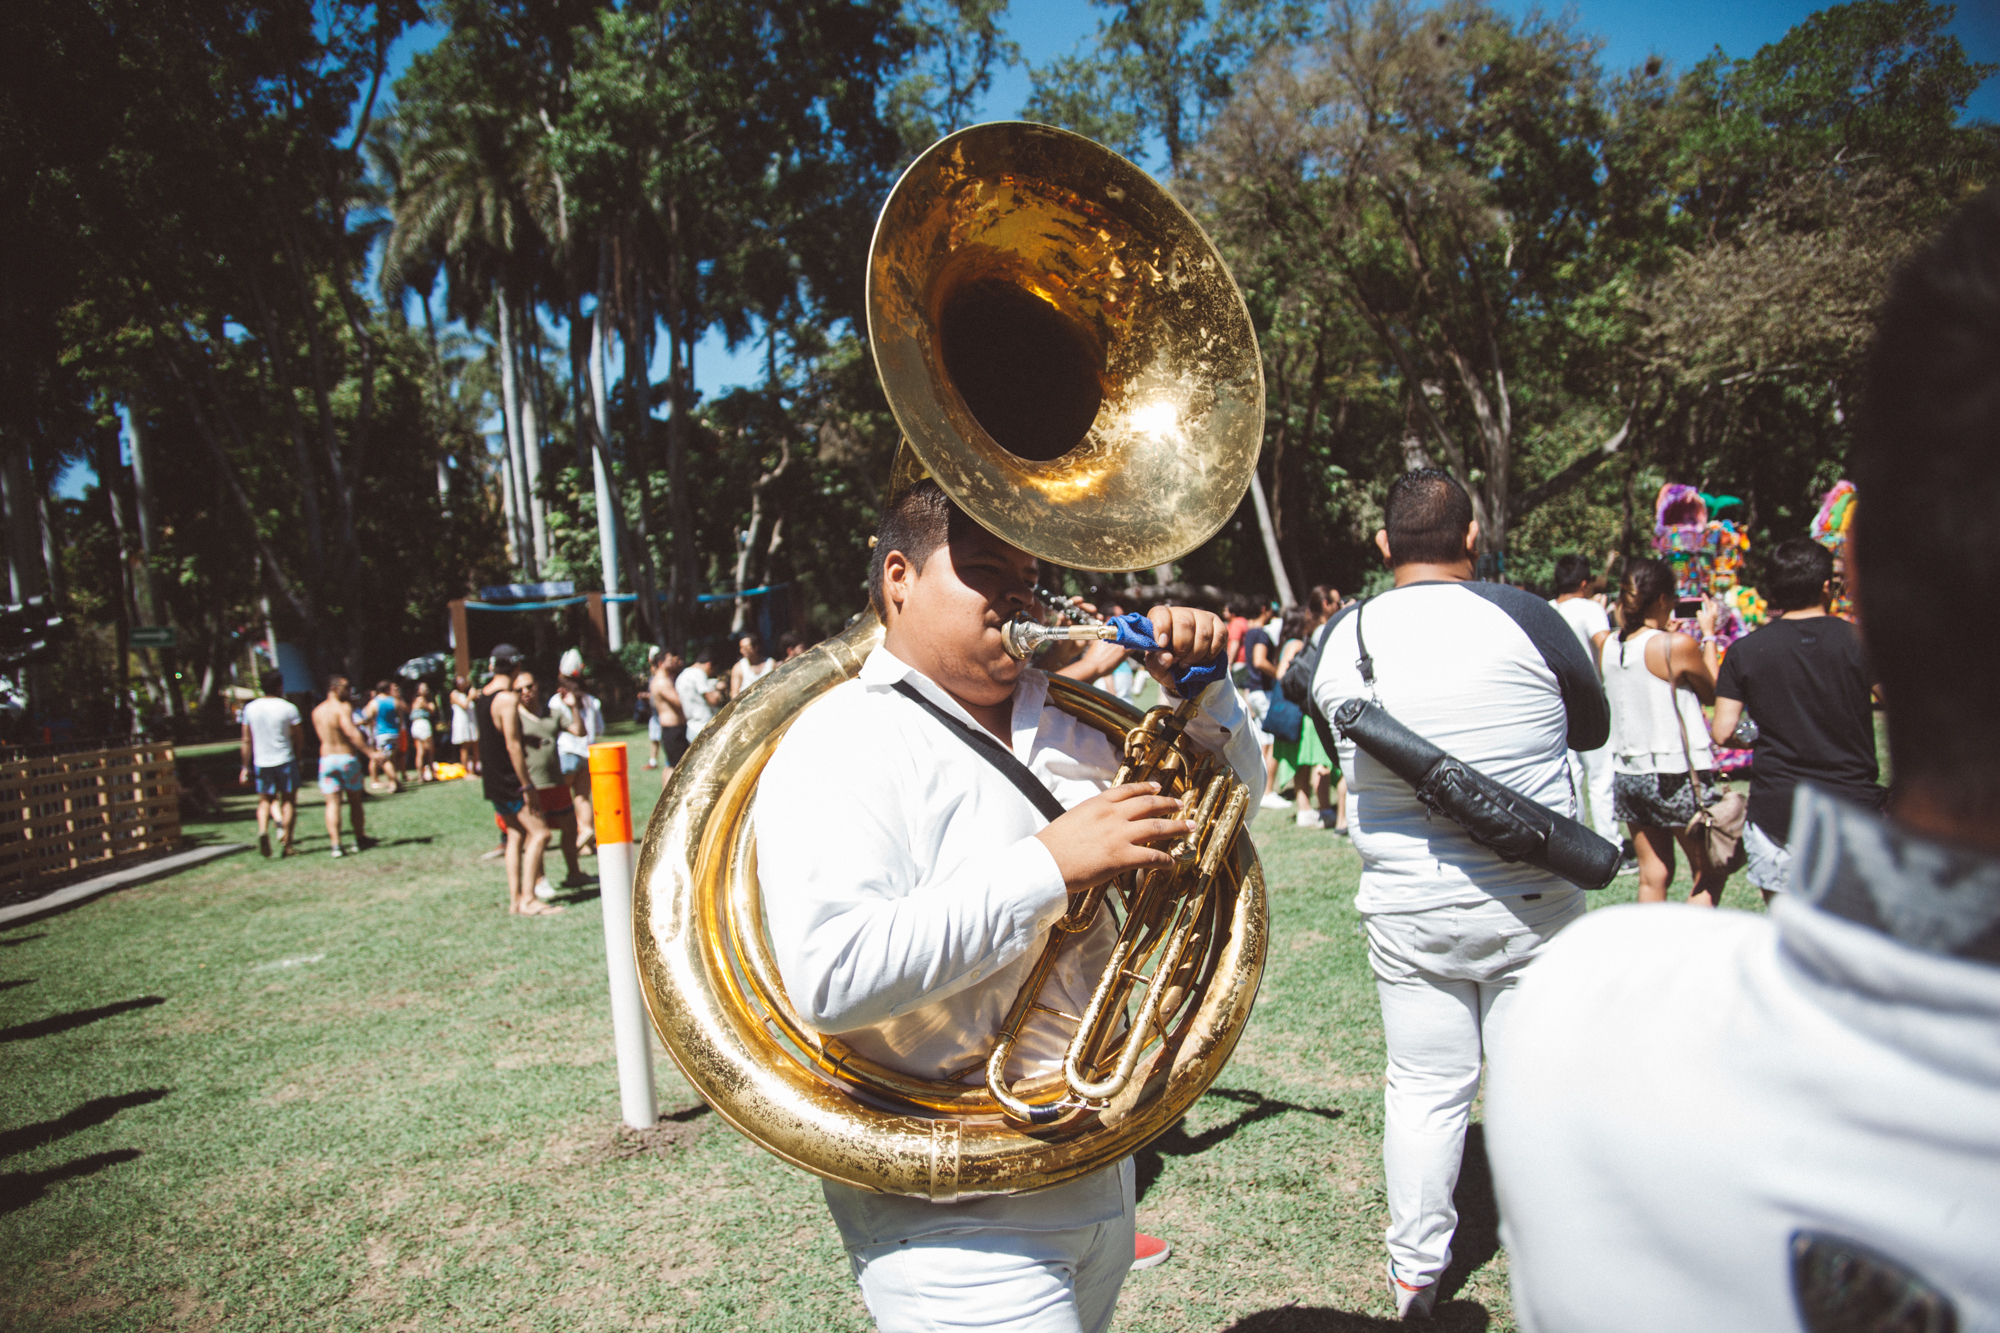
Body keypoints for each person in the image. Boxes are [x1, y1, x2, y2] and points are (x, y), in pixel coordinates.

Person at [1484, 187, 2000, 1332]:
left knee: (1677, 886)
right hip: (1761, 790)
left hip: (1746, 808)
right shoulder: (1686, 644)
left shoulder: (1578, 1016)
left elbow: (1723, 716)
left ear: (1858, 562)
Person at [757, 479, 1263, 1333]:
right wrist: (1047, 867)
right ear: (898, 579)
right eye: (986, 570)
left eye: (1027, 578)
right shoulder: (837, 740)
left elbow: (1227, 817)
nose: (1017, 597)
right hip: (951, 1213)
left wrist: (1204, 700)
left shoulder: (1076, 722)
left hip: (1097, 1164)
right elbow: (832, 974)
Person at [1308, 468, 1608, 1320]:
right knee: (1533, 1085)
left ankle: (1415, 1275)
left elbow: (1344, 753)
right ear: (1472, 537)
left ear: (1382, 544)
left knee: (1423, 1088)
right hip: (1533, 902)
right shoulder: (1530, 616)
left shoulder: (1341, 635)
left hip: (1408, 905)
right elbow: (1590, 728)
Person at [1708, 537, 1885, 900]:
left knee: (1787, 937)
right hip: (1852, 805)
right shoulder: (1862, 641)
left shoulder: (1745, 652)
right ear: (1825, 586)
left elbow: (1724, 731)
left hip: (1778, 811)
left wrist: (1757, 731)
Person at [1601, 558, 1728, 908]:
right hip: (1675, 773)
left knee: (1653, 875)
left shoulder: (1608, 645)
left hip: (1628, 773)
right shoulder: (1676, 645)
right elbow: (1713, 692)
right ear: (1661, 599)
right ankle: (1688, 953)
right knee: (1710, 871)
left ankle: (1650, 954)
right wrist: (1711, 635)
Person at [1548, 553, 1624, 861]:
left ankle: (1577, 843)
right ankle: (1612, 845)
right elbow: (1605, 645)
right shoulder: (1590, 609)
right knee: (1601, 776)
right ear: (1583, 583)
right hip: (1591, 699)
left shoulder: (1547, 609)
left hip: (1556, 701)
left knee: (1571, 774)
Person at [475, 647, 557, 916]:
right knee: (540, 833)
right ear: (516, 667)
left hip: (493, 780)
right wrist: (527, 785)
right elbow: (511, 746)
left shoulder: (481, 697)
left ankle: (515, 901)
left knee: (516, 835)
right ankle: (529, 899)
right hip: (512, 780)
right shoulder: (507, 699)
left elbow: (493, 737)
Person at [515, 670, 582, 899]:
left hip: (556, 782)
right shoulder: (514, 719)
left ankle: (575, 873)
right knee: (538, 834)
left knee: (570, 827)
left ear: (538, 686)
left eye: (529, 686)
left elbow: (580, 732)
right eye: (520, 689)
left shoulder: (552, 714)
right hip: (534, 786)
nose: (526, 692)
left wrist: (573, 706)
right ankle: (540, 880)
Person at [1272, 607, 1336, 829]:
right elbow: (1282, 673)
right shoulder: (1298, 645)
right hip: (1304, 711)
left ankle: (1305, 809)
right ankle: (1324, 809)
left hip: (1298, 711)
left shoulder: (1291, 644)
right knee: (1320, 762)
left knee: (1303, 765)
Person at [311, 676, 386, 858]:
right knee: (355, 801)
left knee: (332, 803)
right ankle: (360, 838)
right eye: (346, 688)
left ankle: (336, 845)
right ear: (335, 688)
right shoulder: (342, 708)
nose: (349, 691)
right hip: (346, 758)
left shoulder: (317, 711)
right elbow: (351, 732)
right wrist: (371, 753)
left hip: (327, 760)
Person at [237, 668, 302, 857]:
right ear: (280, 686)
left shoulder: (250, 708)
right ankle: (288, 845)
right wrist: (298, 757)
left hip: (262, 761)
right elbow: (299, 737)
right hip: (285, 758)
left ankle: (263, 829)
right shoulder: (288, 708)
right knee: (288, 801)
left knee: (264, 800)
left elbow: (246, 740)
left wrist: (244, 766)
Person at [552, 649, 604, 858]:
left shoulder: (556, 702)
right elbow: (599, 729)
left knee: (565, 801)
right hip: (587, 754)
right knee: (583, 798)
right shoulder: (592, 701)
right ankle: (587, 841)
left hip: (566, 753)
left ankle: (577, 840)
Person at [1238, 603, 1288, 811]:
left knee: (1260, 740)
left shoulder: (1249, 633)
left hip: (1253, 690)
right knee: (1269, 741)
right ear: (1264, 609)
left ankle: (1259, 789)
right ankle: (1267, 791)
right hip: (1263, 691)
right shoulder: (1260, 634)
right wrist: (1278, 674)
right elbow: (1259, 661)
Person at [649, 648, 687, 779]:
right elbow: (679, 703)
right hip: (672, 730)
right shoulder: (662, 682)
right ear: (661, 663)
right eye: (670, 661)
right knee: (674, 767)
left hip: (676, 729)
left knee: (672, 765)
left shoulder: (666, 679)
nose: (674, 663)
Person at [676, 646, 724, 745]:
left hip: (691, 727)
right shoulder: (699, 674)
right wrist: (719, 688)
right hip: (704, 725)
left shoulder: (682, 676)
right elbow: (713, 700)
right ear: (709, 664)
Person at [364, 680, 403, 792]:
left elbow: (368, 716)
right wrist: (399, 731)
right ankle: (393, 783)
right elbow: (400, 718)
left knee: (384, 760)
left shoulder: (375, 702)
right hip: (394, 733)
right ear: (387, 689)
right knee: (392, 759)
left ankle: (395, 783)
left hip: (382, 734)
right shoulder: (394, 701)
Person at [728, 631, 777, 699]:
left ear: (756, 647)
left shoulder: (771, 663)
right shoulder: (738, 668)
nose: (742, 651)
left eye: (746, 648)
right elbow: (734, 693)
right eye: (741, 648)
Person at [449, 673, 479, 775]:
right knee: (465, 747)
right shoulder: (454, 694)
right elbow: (464, 705)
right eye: (459, 680)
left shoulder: (466, 693)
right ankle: (466, 771)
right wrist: (470, 696)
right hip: (462, 722)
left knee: (476, 746)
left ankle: (474, 770)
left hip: (471, 722)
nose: (462, 682)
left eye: (463, 680)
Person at [409, 683, 437, 782]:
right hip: (422, 724)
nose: (426, 690)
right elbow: (431, 711)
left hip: (415, 725)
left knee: (420, 751)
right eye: (424, 688)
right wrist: (431, 704)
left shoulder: (415, 700)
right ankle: (433, 775)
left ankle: (421, 776)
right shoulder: (422, 700)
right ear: (418, 691)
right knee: (429, 751)